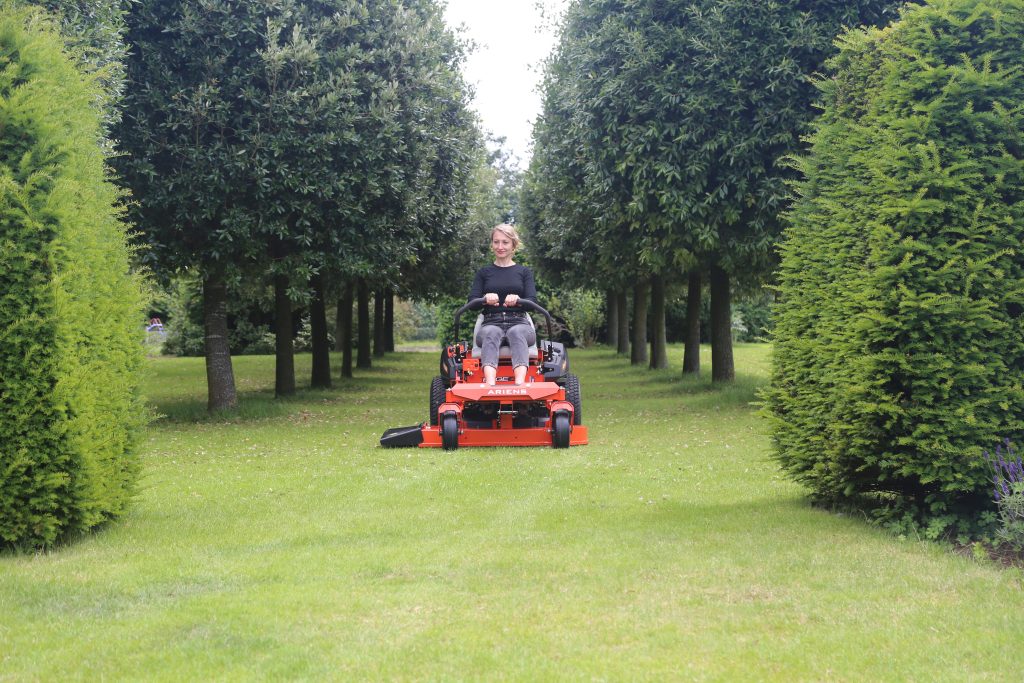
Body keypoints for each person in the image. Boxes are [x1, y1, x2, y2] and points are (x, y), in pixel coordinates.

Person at [468, 223, 537, 386]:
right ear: (492, 244)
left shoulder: (524, 272)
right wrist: (484, 299)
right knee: (491, 333)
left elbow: (532, 303)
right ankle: (490, 384)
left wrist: (518, 301)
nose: (500, 246)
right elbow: (472, 303)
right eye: (496, 242)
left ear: (513, 245)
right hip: (491, 321)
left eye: (505, 242)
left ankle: (520, 384)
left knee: (516, 332)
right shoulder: (484, 273)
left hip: (519, 321)